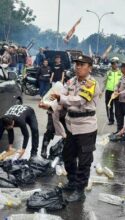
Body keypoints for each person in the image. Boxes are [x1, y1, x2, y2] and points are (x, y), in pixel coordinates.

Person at [43, 55, 100, 202]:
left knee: (84, 160)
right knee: (68, 156)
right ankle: (73, 182)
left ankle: (80, 190)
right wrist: (50, 105)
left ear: (90, 68)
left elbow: (79, 101)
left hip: (86, 127)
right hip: (71, 125)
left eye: (82, 64)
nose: (78, 67)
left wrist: (60, 99)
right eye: (77, 64)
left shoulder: (91, 83)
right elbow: (61, 99)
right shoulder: (71, 81)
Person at [100, 57, 122, 125]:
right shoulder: (108, 72)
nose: (113, 65)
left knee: (118, 108)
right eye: (112, 63)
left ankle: (118, 121)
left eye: (114, 63)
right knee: (109, 106)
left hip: (117, 92)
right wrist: (102, 90)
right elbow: (104, 82)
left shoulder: (121, 73)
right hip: (108, 92)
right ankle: (111, 120)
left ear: (118, 64)